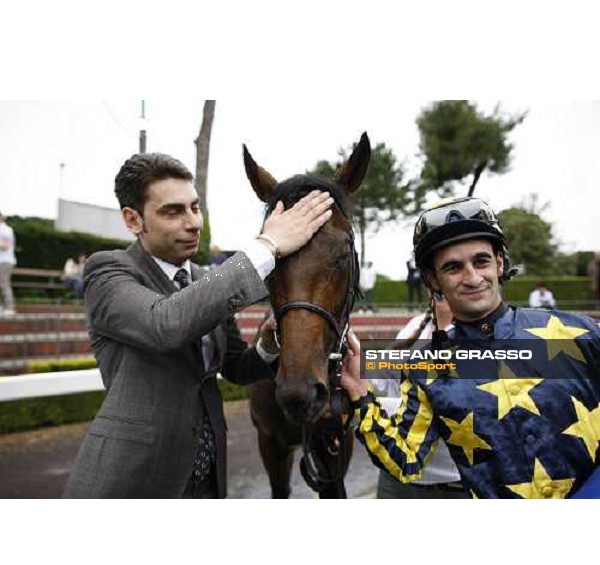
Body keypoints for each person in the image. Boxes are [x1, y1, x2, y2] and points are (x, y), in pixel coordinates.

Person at [63, 152, 334, 499]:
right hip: (132, 478)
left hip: (207, 477)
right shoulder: (107, 272)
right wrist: (266, 246)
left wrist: (269, 346)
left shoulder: (207, 281)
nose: (193, 222)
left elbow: (236, 368)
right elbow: (165, 324)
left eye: (195, 207)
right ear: (133, 220)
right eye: (173, 211)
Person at [341, 197, 600, 499]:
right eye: (453, 267)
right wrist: (359, 392)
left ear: (499, 263)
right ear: (432, 280)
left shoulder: (579, 332)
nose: (473, 277)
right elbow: (405, 458)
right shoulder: (424, 354)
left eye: (481, 261)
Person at [371, 293, 466, 499]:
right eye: (441, 294)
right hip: (397, 476)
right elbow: (380, 381)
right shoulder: (416, 327)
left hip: (457, 482)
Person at [0, 213, 16, 316]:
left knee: (4, 284)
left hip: (4, 261)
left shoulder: (5, 229)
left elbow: (6, 245)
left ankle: (9, 308)